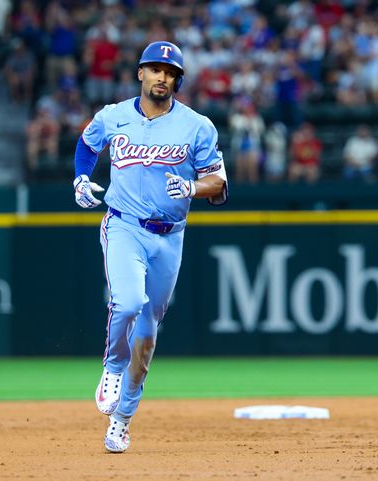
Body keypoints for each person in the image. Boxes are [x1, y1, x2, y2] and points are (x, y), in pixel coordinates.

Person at [72, 41, 228, 453]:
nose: (162, 77)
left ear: (178, 80)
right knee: (126, 302)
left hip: (169, 236)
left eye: (170, 71)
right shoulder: (114, 116)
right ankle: (111, 367)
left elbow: (220, 184)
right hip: (123, 225)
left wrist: (193, 186)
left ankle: (122, 419)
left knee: (147, 334)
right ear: (141, 73)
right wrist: (80, 179)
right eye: (155, 69)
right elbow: (87, 144)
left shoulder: (197, 126)